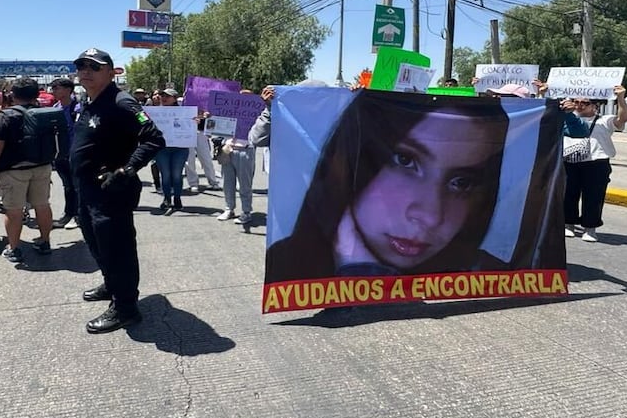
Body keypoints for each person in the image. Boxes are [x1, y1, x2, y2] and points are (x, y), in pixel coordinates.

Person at [266, 93, 509, 282]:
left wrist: (361, 266)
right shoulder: (288, 264)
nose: (430, 216)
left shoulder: (492, 277)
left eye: (461, 183)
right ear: (353, 161)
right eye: (405, 161)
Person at [71, 48, 164, 333]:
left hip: (111, 190)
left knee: (117, 249)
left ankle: (125, 308)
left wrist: (127, 169)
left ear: (111, 73)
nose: (86, 70)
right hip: (87, 189)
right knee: (96, 242)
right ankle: (112, 285)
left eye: (94, 67)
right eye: (82, 66)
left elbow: (153, 138)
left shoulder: (122, 103)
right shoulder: (91, 100)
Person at [0, 78, 64, 261]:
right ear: (37, 94)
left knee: (14, 210)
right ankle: (44, 241)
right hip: (42, 167)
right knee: (42, 205)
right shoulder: (46, 114)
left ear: (12, 94)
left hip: (13, 170)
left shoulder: (5, 115)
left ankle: (14, 248)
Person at [561, 86, 627, 242]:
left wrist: (620, 98)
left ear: (595, 106)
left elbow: (623, 119)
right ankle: (568, 224)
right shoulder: (567, 117)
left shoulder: (604, 121)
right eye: (576, 101)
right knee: (568, 194)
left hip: (596, 163)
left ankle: (590, 228)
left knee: (594, 196)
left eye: (584, 103)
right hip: (570, 161)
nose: (578, 105)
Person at [216, 91, 258, 229]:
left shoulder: (255, 115)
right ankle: (229, 208)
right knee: (227, 182)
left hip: (245, 149)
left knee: (244, 184)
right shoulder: (229, 113)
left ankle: (246, 211)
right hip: (228, 149)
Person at [49, 77, 80, 229]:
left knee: (76, 185)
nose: (53, 91)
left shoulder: (78, 108)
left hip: (75, 154)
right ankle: (68, 213)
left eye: (57, 88)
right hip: (60, 154)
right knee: (67, 186)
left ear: (68, 90)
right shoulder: (56, 107)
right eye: (53, 88)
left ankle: (77, 215)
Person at [152, 88, 189, 214]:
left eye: (168, 96)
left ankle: (177, 199)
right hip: (162, 149)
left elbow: (195, 125)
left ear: (175, 98)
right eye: (162, 95)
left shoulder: (186, 112)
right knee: (165, 175)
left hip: (180, 148)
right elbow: (143, 121)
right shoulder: (154, 112)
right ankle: (167, 198)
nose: (164, 97)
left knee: (177, 174)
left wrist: (197, 120)